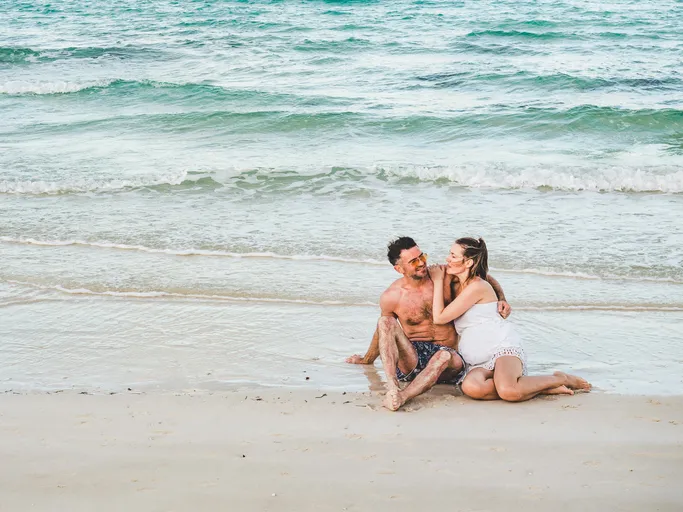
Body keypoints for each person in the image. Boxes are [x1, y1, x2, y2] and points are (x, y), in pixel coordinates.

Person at [346, 237, 511, 411]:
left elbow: (481, 277)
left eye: (422, 257)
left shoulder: (442, 275)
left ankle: (403, 396)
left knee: (443, 356)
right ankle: (393, 388)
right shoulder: (392, 296)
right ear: (399, 269)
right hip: (413, 359)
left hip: (450, 361)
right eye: (413, 261)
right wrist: (367, 359)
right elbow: (384, 331)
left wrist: (502, 299)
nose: (421, 263)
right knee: (384, 321)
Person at [429, 237, 591, 402]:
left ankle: (560, 378)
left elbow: (440, 318)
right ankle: (538, 387)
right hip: (477, 359)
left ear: (469, 263)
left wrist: (438, 280)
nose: (448, 259)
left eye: (453, 256)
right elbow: (489, 276)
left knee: (508, 392)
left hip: (501, 347)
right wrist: (501, 296)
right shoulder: (459, 280)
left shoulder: (477, 287)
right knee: (471, 388)